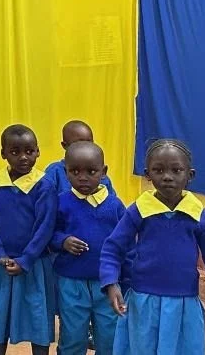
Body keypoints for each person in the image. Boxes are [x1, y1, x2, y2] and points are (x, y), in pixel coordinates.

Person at [100, 139, 205, 355]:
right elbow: (113, 248)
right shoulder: (138, 211)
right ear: (147, 174)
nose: (167, 176)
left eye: (176, 170)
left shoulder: (198, 216)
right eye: (158, 170)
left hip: (184, 305)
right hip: (143, 302)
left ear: (189, 175)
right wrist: (111, 283)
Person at [0, 124, 57, 355]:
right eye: (15, 152)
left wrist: (27, 259)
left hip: (34, 266)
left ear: (38, 151)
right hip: (1, 265)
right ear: (3, 153)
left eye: (29, 151)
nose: (23, 157)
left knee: (37, 318)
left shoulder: (44, 186)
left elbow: (45, 226)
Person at [50, 141, 124, 355]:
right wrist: (63, 241)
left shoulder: (115, 206)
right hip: (70, 281)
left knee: (109, 337)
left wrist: (125, 279)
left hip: (108, 283)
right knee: (72, 337)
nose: (83, 177)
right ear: (65, 173)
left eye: (91, 171)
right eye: (75, 171)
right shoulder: (61, 202)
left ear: (104, 172)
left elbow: (126, 244)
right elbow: (49, 234)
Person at [43, 121, 115, 197]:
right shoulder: (55, 171)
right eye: (75, 172)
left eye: (88, 143)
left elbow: (112, 202)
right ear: (64, 145)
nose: (83, 147)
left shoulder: (98, 174)